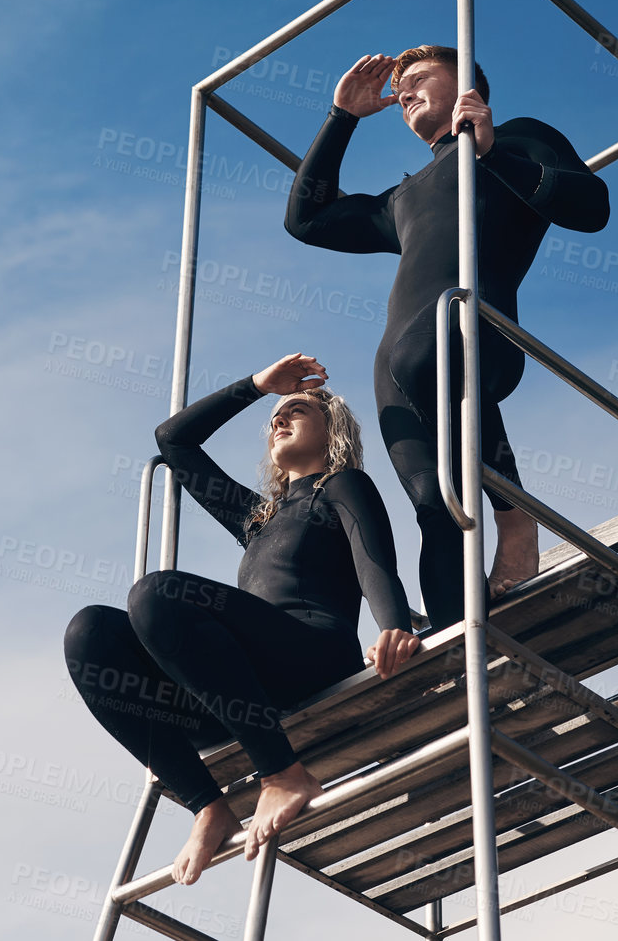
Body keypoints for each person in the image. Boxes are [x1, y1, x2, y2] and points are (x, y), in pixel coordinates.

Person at [284, 46, 610, 629]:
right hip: (398, 365)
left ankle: (514, 517)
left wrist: (489, 152)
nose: (404, 93)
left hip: (472, 332)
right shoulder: (404, 196)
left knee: (424, 347)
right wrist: (342, 118)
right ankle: (466, 662)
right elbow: (306, 221)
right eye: (399, 89)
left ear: (467, 84)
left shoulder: (518, 139)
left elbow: (591, 207)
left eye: (418, 79)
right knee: (436, 512)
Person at [64, 352, 419, 886]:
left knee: (157, 593)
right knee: (89, 631)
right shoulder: (257, 517)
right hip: (239, 688)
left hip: (313, 658)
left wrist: (395, 625)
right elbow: (174, 441)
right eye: (275, 415)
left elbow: (374, 562)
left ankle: (282, 774)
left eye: (296, 410)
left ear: (334, 429)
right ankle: (207, 806)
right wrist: (258, 385)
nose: (279, 418)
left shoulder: (343, 486)